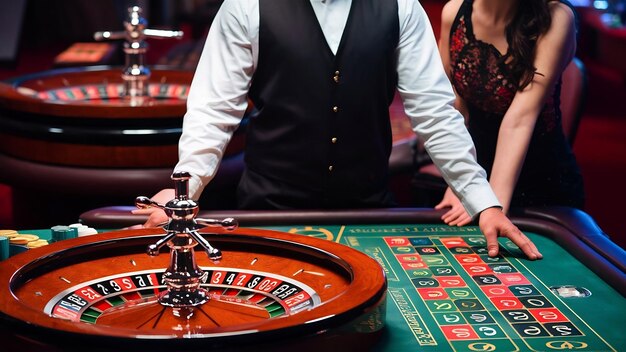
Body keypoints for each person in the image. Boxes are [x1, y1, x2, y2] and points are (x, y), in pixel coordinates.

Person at [134, 0, 542, 260]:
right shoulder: (244, 7)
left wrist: (482, 200)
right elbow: (213, 111)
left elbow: (435, 114)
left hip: (366, 212)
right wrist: (184, 188)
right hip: (267, 210)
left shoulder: (401, 8)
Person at [434, 0, 585, 226]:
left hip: (541, 190)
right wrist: (461, 180)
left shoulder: (556, 17)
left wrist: (490, 203)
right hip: (476, 175)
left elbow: (520, 119)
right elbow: (453, 108)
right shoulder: (453, 12)